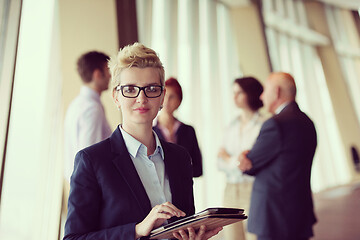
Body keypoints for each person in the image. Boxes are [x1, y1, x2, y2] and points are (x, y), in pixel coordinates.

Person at [63, 42, 222, 240]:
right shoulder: (91, 161)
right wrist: (137, 230)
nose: (141, 98)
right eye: (130, 89)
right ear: (116, 97)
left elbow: (183, 225)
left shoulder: (180, 157)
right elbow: (73, 238)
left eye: (152, 88)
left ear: (162, 97)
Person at [239, 72, 317, 240]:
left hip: (274, 216)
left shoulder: (275, 124)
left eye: (265, 90)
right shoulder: (308, 122)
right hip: (300, 212)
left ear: (276, 92)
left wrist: (244, 157)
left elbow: (249, 164)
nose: (261, 96)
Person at [217, 77, 265, 240]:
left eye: (239, 93)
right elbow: (219, 162)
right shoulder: (231, 126)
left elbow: (255, 162)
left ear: (250, 94)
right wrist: (238, 161)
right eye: (233, 93)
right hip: (230, 190)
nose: (234, 97)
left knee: (254, 236)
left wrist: (229, 158)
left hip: (253, 189)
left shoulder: (264, 125)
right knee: (232, 237)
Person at [64, 51, 112, 183]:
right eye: (108, 71)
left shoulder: (76, 104)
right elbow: (90, 155)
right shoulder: (92, 108)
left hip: (79, 183)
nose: (110, 76)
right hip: (90, 186)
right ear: (97, 74)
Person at [153, 77, 203, 177]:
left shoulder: (188, 131)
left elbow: (198, 169)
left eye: (172, 97)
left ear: (179, 101)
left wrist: (178, 170)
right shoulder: (149, 131)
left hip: (183, 190)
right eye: (165, 96)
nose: (167, 101)